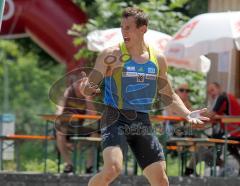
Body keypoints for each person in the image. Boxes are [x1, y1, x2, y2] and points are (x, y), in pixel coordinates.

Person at [79, 7, 209, 186]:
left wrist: (187, 113)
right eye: (122, 27)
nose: (124, 32)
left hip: (141, 120)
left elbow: (168, 93)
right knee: (112, 169)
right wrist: (87, 89)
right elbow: (90, 86)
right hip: (114, 117)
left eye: (128, 27)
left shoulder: (158, 59)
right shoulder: (111, 55)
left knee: (161, 181)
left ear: (143, 29)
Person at [56, 78, 99, 174]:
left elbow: (93, 114)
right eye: (80, 83)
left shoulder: (88, 95)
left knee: (95, 135)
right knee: (60, 133)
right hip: (66, 126)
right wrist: (60, 112)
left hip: (79, 127)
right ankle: (69, 165)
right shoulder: (69, 92)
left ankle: (89, 166)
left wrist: (87, 98)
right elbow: (59, 109)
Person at [207, 82, 240, 174]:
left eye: (212, 90)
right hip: (234, 131)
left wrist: (196, 117)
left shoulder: (222, 97)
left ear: (219, 89)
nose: (211, 93)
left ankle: (220, 165)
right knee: (217, 139)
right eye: (209, 92)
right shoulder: (225, 98)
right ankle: (221, 165)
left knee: (216, 141)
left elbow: (211, 115)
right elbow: (215, 117)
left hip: (236, 132)